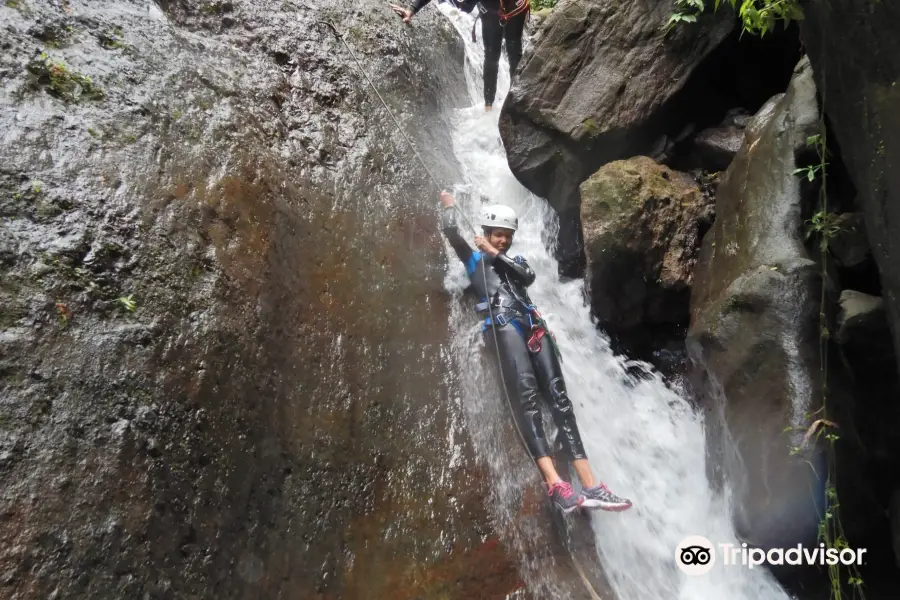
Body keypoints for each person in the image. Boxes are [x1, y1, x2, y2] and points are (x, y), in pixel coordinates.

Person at [438, 191, 633, 513]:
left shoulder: (517, 262)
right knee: (528, 396)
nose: (503, 241)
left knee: (560, 398)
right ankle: (556, 483)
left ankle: (592, 485)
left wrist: (496, 254)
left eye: (507, 237)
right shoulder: (472, 260)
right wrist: (448, 208)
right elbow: (450, 232)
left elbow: (526, 277)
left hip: (533, 325)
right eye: (498, 235)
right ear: (486, 233)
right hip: (503, 324)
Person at [390, 0, 529, 111]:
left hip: (514, 10)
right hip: (490, 11)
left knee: (513, 54)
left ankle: (513, 105)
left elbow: (467, 7)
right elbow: (466, 8)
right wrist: (412, 10)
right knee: (492, 57)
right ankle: (489, 108)